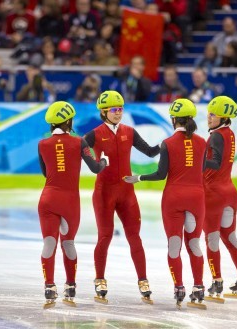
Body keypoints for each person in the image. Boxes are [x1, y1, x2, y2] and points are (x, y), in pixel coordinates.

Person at [123, 98, 208, 310]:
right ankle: (198, 287)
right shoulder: (202, 142)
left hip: (174, 199)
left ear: (173, 119)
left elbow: (161, 175)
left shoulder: (167, 143)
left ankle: (179, 287)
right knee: (194, 244)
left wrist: (139, 177)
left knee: (174, 245)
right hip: (197, 198)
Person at [83, 90, 160, 304]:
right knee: (105, 236)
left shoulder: (129, 131)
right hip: (104, 193)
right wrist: (94, 164)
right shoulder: (95, 134)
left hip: (127, 193)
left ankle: (143, 280)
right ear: (104, 112)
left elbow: (151, 152)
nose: (119, 113)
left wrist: (168, 144)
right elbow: (80, 148)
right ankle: (99, 279)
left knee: (135, 237)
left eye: (121, 109)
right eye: (114, 110)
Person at [39, 101, 109, 308]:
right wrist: (104, 160)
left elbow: (46, 173)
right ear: (68, 121)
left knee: (49, 243)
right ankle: (70, 286)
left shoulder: (42, 144)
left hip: (48, 199)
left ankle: (49, 286)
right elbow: (96, 168)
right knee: (68, 243)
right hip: (70, 202)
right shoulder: (80, 143)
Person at [201, 96, 237, 301]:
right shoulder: (229, 133)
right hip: (230, 193)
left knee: (212, 239)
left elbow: (214, 163)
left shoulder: (215, 136)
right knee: (229, 237)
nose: (208, 117)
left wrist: (197, 161)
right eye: (209, 113)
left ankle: (217, 282)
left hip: (213, 194)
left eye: (213, 114)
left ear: (223, 117)